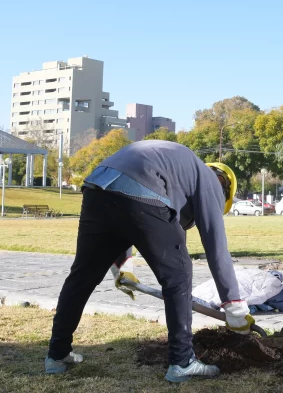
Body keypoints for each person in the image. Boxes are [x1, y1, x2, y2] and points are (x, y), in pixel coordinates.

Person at [45, 140, 254, 383]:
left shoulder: (176, 169)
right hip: (138, 191)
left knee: (82, 276)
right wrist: (235, 306)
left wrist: (123, 267)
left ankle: (57, 355)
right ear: (225, 188)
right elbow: (216, 248)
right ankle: (182, 362)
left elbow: (123, 220)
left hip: (97, 187)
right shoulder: (210, 182)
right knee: (180, 275)